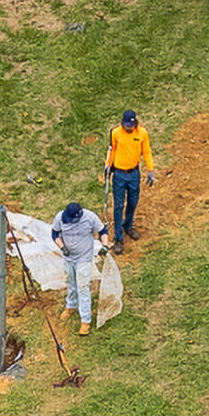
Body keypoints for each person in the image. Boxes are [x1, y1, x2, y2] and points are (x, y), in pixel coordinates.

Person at [49, 202, 109, 334]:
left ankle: (85, 320)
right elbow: (54, 234)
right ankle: (71, 305)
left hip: (84, 259)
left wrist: (105, 245)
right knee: (70, 282)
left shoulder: (90, 217)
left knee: (83, 287)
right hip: (68, 258)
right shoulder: (60, 218)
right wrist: (62, 247)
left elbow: (102, 231)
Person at [103, 108, 158, 253]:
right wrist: (108, 165)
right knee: (118, 205)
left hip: (134, 173)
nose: (127, 127)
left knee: (133, 201)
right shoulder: (115, 133)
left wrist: (150, 170)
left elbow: (146, 151)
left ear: (135, 123)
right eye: (125, 125)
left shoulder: (142, 133)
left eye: (130, 125)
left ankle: (128, 225)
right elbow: (112, 149)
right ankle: (118, 237)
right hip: (119, 174)